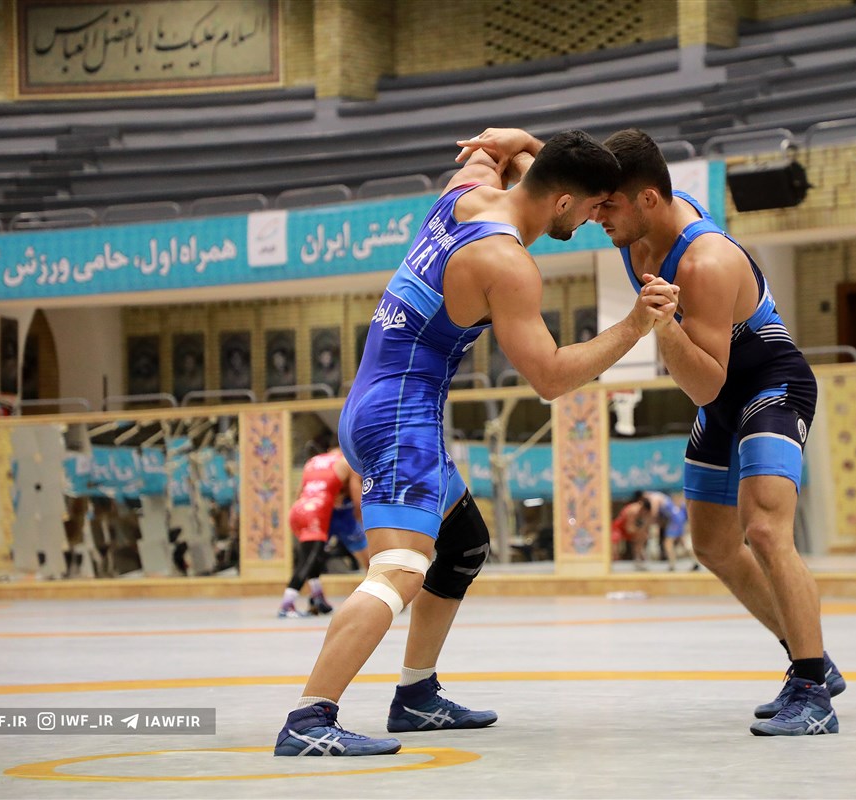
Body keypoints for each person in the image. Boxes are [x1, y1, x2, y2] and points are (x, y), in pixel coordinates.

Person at [274, 129, 679, 757]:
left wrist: (520, 141)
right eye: (592, 208)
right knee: (400, 569)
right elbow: (550, 378)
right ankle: (309, 719)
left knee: (462, 542)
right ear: (564, 202)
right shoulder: (508, 265)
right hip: (400, 420)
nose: (594, 220)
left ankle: (416, 695)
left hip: (376, 400)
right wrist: (634, 325)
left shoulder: (466, 194)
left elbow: (492, 155)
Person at [456, 126, 844, 736]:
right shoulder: (635, 223)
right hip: (722, 394)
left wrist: (660, 327)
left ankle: (813, 689)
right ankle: (809, 653)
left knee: (766, 529)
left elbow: (706, 385)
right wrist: (521, 141)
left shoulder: (705, 261)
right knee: (712, 546)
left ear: (648, 200)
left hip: (769, 386)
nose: (595, 217)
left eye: (607, 206)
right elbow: (561, 173)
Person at [279, 448, 365, 618]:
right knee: (307, 561)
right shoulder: (347, 462)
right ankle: (287, 605)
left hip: (299, 510)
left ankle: (318, 599)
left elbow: (300, 492)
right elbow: (357, 499)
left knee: (315, 557)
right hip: (316, 514)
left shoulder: (313, 462)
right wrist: (363, 520)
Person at [611, 492, 655, 568]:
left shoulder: (646, 511)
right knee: (615, 540)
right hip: (619, 527)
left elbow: (646, 525)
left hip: (631, 527)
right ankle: (614, 559)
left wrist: (643, 533)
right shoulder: (633, 511)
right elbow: (629, 528)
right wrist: (639, 532)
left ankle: (639, 556)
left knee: (643, 536)